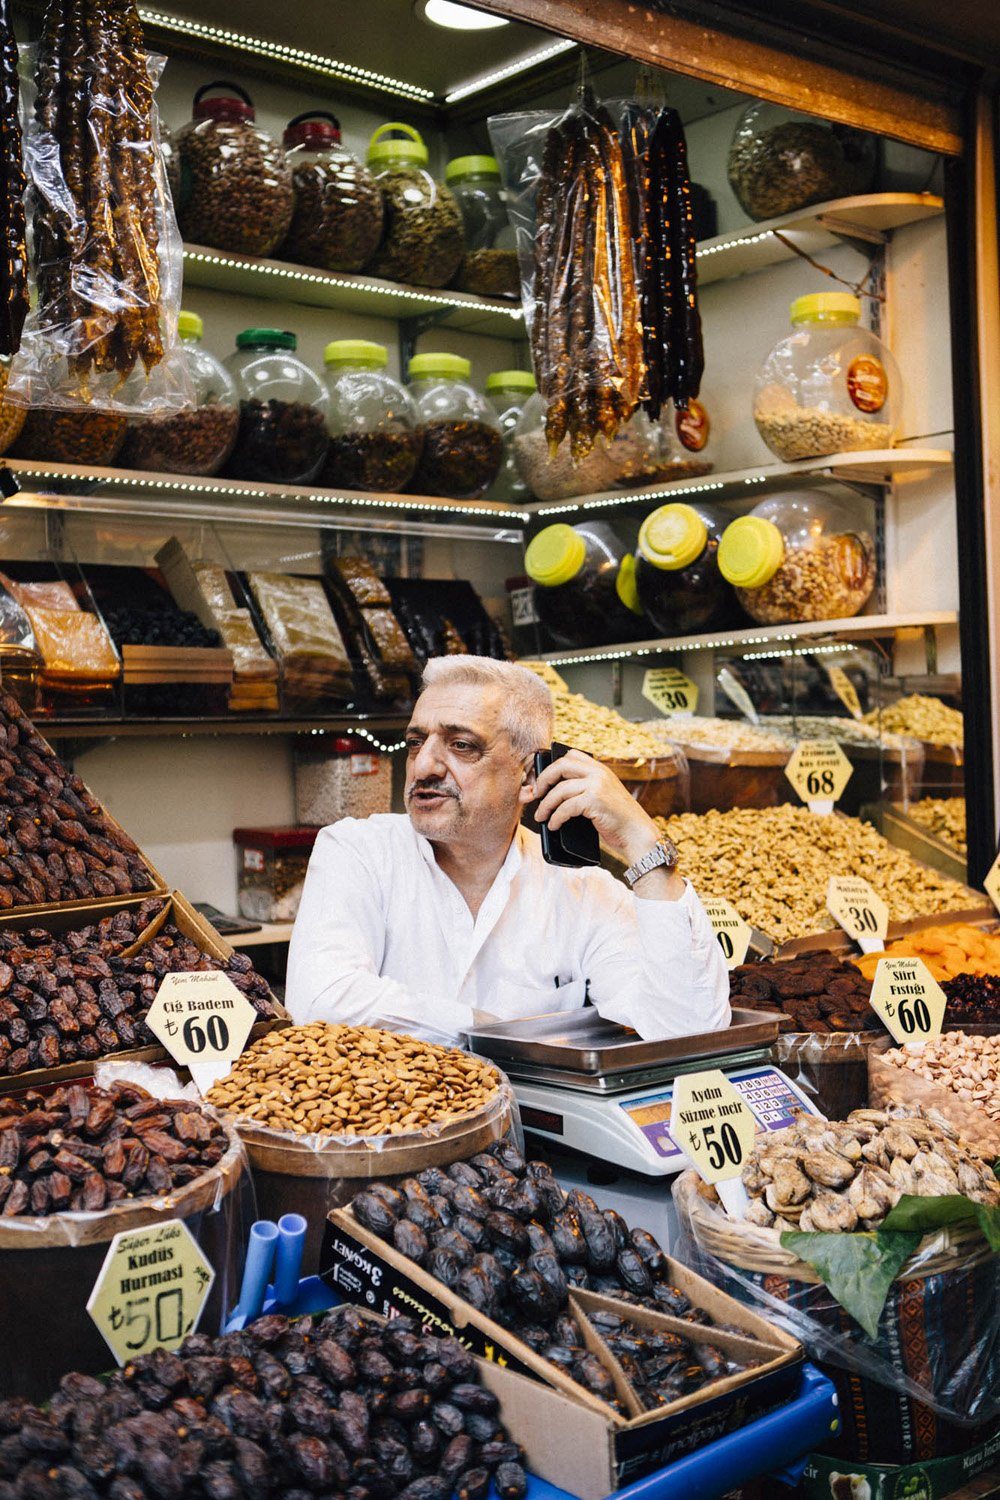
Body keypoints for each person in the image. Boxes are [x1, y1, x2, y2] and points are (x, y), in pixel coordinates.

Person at [287, 656, 729, 1041]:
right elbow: (320, 1001)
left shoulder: (582, 890)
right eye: (416, 742)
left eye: (462, 745)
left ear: (530, 776)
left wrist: (642, 842)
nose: (422, 766)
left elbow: (688, 1029)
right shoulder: (357, 851)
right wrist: (486, 1030)